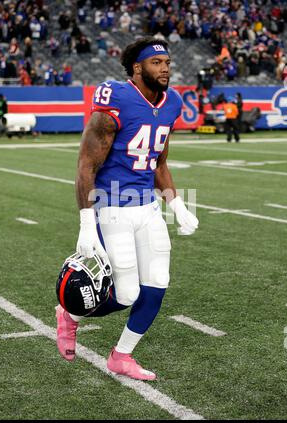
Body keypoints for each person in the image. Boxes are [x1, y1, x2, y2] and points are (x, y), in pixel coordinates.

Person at [56, 37, 199, 381]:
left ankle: (122, 355)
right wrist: (86, 224)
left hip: (148, 207)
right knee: (125, 293)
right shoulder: (116, 97)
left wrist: (177, 204)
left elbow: (158, 160)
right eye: (156, 62)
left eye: (167, 61)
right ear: (137, 67)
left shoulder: (172, 101)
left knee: (157, 284)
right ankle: (69, 314)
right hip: (111, 207)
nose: (165, 67)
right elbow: (86, 165)